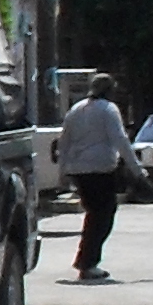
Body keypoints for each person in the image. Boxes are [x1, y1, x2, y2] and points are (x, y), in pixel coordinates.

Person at [59, 72, 134, 282]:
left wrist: (63, 172)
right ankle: (88, 263)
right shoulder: (109, 110)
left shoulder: (76, 109)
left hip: (79, 170)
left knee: (93, 215)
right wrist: (137, 170)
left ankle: (85, 260)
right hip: (101, 169)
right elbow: (120, 140)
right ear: (109, 90)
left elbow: (64, 142)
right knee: (103, 216)